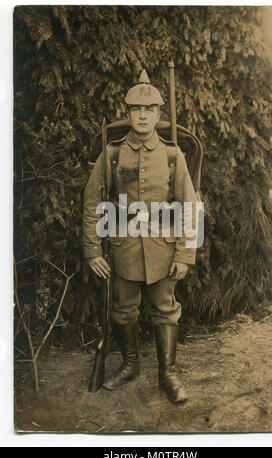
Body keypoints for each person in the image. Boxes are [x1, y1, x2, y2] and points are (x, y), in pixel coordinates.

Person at [83, 70, 197, 404]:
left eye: (149, 110)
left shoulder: (174, 155)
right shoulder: (113, 153)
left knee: (165, 309)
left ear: (159, 114)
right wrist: (93, 250)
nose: (143, 115)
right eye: (136, 109)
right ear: (127, 113)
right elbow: (93, 204)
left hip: (164, 247)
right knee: (124, 310)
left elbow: (189, 206)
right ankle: (130, 364)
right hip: (124, 246)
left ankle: (168, 373)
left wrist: (184, 254)